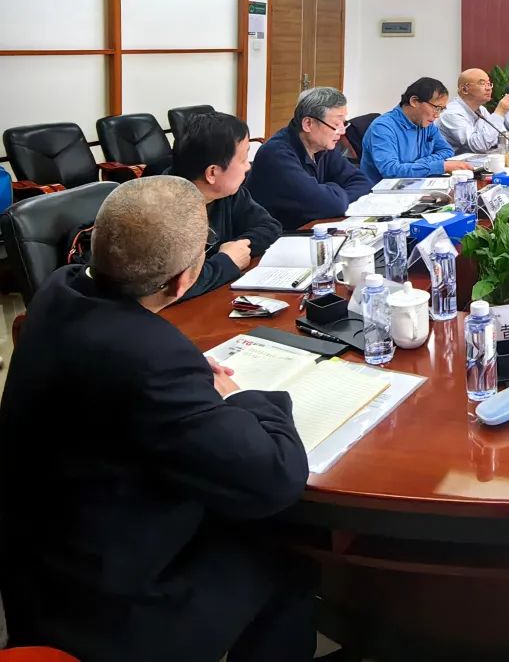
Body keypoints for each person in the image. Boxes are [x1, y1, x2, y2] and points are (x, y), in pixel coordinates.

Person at [0, 177, 317, 662]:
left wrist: (183, 377)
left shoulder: (57, 291)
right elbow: (276, 477)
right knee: (285, 559)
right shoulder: (150, 360)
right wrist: (244, 397)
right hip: (109, 609)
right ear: (183, 280)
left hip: (36, 569)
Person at [170, 111, 282, 297]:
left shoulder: (227, 193)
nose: (248, 166)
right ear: (212, 173)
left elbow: (270, 228)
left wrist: (238, 247)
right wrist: (227, 261)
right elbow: (172, 288)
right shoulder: (164, 208)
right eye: (243, 159)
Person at [248, 87, 371, 229]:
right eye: (336, 124)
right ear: (308, 124)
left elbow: (363, 183)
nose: (343, 132)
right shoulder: (276, 154)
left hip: (310, 229)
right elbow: (331, 205)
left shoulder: (322, 146)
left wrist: (333, 194)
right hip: (276, 237)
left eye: (344, 123)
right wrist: (335, 192)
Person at [360, 76, 473, 184]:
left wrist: (418, 164)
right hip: (385, 191)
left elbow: (447, 151)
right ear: (414, 101)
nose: (437, 115)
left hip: (420, 183)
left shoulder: (427, 123)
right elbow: (391, 171)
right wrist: (440, 166)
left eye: (441, 109)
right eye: (436, 108)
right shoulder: (383, 127)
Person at [437, 68, 509, 153]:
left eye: (489, 84)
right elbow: (478, 146)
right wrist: (500, 112)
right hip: (453, 160)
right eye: (482, 83)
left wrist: (489, 139)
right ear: (464, 89)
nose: (488, 88)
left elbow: (500, 137)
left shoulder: (481, 109)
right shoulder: (451, 114)